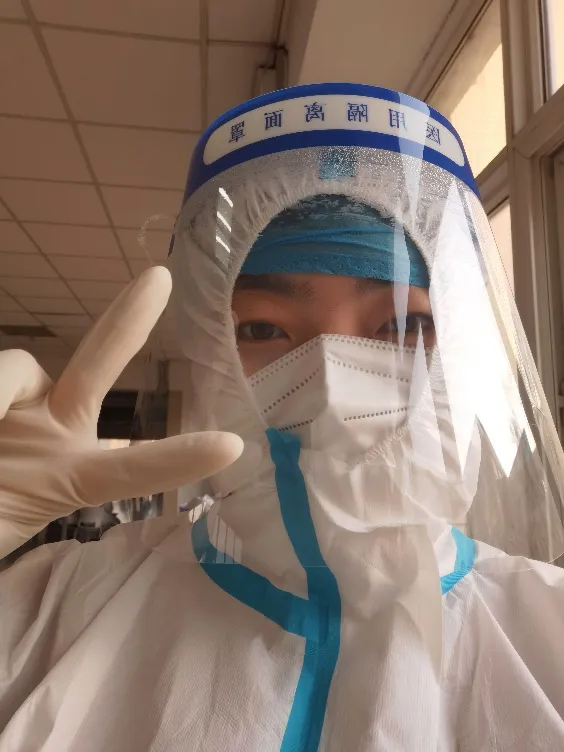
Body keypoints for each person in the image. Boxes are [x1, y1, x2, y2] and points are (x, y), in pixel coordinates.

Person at [1, 83, 564, 751]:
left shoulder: (546, 627)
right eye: (264, 328)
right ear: (209, 352)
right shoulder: (62, 609)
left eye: (403, 325)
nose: (330, 386)